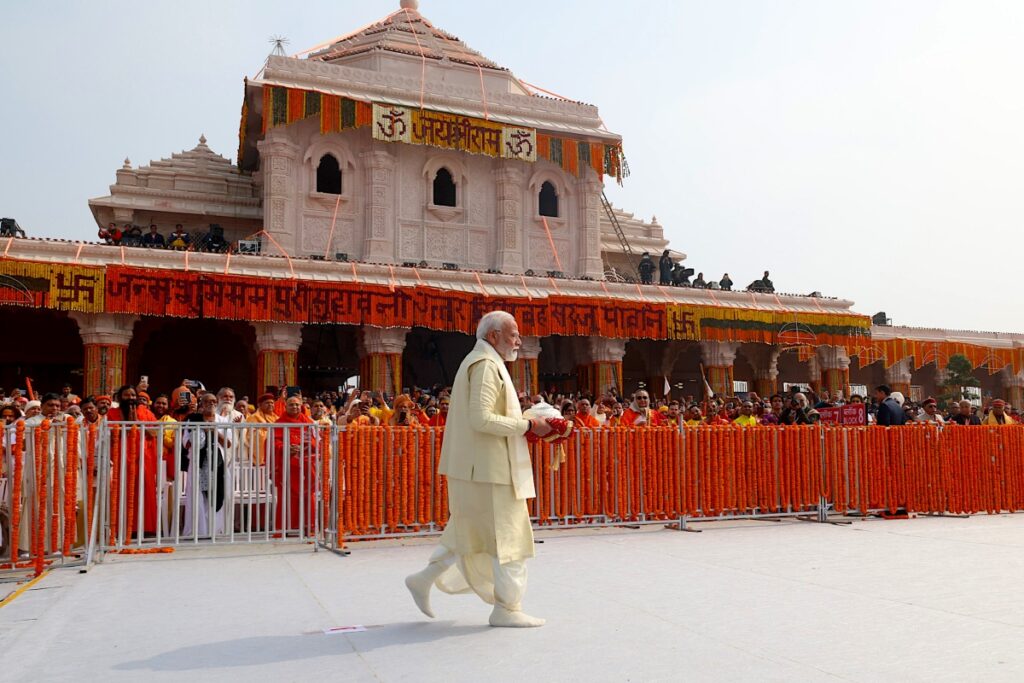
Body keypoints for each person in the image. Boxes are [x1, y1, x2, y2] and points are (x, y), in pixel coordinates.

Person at [405, 310, 552, 628]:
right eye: (513, 334)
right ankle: (507, 608)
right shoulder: (485, 365)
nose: (518, 340)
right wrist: (528, 424)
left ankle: (423, 579)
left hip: (479, 467)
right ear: (493, 336)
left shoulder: (484, 362)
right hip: (488, 470)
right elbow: (481, 419)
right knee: (508, 538)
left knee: (468, 531)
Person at [182, 393, 233, 537]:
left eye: (213, 401)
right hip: (199, 464)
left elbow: (228, 443)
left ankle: (215, 530)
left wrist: (213, 430)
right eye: (207, 401)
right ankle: (198, 531)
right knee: (198, 496)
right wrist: (200, 430)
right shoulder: (193, 420)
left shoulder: (222, 420)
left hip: (217, 464)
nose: (211, 404)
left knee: (216, 494)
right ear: (201, 404)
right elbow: (186, 443)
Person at [272, 394, 318, 533]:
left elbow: (316, 443)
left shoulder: (308, 423)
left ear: (301, 406)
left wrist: (307, 445)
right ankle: (285, 528)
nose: (295, 407)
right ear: (286, 406)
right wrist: (286, 448)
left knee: (308, 496)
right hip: (287, 467)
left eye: (297, 404)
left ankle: (308, 527)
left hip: (305, 467)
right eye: (291, 404)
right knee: (286, 497)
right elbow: (274, 443)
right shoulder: (279, 423)